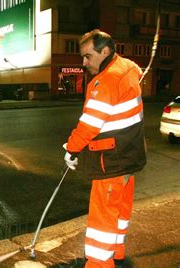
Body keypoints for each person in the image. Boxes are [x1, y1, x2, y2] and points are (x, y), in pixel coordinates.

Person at [63, 29, 147, 267]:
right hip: (128, 155)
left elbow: (90, 123)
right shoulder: (127, 68)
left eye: (88, 56)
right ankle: (117, 253)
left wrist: (72, 148)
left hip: (111, 159)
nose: (84, 62)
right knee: (120, 210)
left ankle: (100, 264)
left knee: (103, 217)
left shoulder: (107, 78)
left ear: (105, 51)